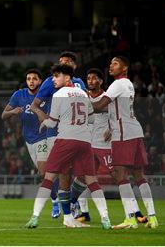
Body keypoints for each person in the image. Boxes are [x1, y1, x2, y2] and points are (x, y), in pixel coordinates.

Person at [24, 64, 112, 229]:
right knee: (92, 181)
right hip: (85, 142)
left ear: (67, 77)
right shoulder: (84, 94)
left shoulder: (59, 95)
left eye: (57, 76)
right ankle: (105, 218)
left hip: (65, 140)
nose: (54, 80)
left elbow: (52, 122)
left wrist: (44, 123)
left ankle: (35, 217)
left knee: (49, 178)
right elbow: (91, 119)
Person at [92, 56, 158, 229]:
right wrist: (111, 128)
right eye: (110, 63)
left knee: (121, 176)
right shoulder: (128, 84)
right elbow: (115, 108)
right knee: (139, 176)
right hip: (134, 131)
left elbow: (99, 106)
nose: (111, 66)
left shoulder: (117, 84)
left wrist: (80, 101)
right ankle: (152, 217)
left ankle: (130, 219)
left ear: (125, 67)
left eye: (115, 63)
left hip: (124, 135)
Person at [72, 69, 146, 223]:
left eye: (94, 78)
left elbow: (121, 116)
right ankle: (83, 212)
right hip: (87, 144)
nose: (91, 81)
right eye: (88, 78)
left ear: (100, 81)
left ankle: (136, 212)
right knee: (82, 177)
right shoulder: (83, 97)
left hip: (103, 144)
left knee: (118, 177)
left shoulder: (108, 97)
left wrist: (112, 130)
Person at [30, 51, 87, 218]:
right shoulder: (50, 82)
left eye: (68, 61)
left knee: (83, 173)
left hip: (78, 133)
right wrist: (46, 119)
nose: (64, 64)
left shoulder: (79, 84)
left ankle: (72, 202)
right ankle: (66, 209)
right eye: (61, 61)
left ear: (74, 66)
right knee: (63, 171)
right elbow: (35, 106)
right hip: (55, 133)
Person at [1, 69, 47, 172]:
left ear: (40, 81)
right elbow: (4, 115)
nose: (31, 81)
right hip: (28, 139)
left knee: (44, 173)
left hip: (43, 137)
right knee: (43, 173)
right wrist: (13, 112)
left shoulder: (46, 95)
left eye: (34, 79)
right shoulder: (19, 95)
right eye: (28, 79)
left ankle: (61, 188)